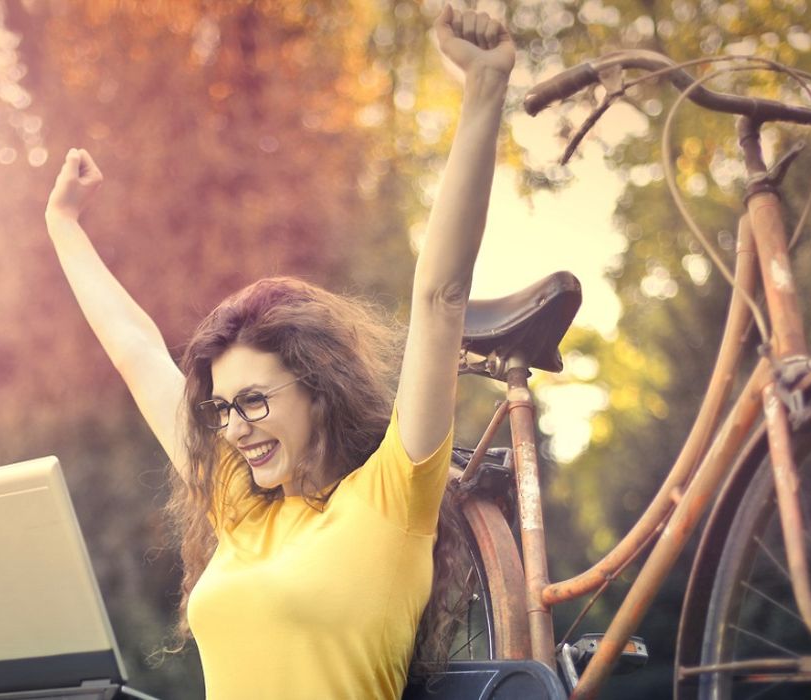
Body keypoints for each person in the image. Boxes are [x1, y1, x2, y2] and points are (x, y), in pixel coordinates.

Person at [42, 5, 514, 698]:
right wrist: (62, 226)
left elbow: (439, 295)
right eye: (224, 407)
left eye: (254, 401)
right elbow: (135, 351)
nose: (233, 428)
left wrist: (484, 89)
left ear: (318, 389)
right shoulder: (243, 507)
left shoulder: (392, 496)